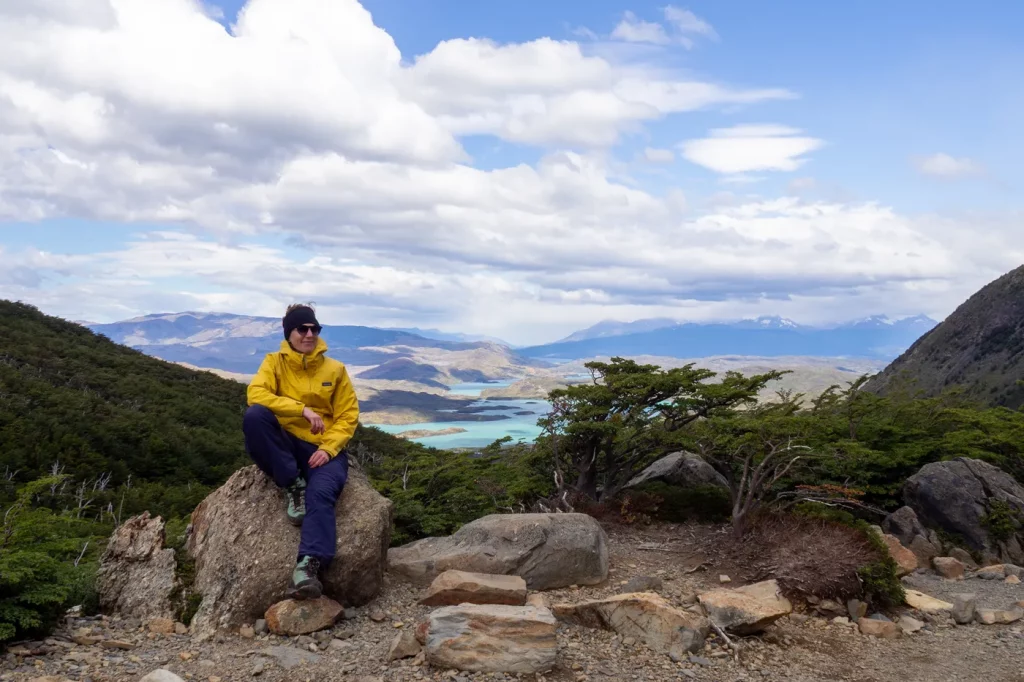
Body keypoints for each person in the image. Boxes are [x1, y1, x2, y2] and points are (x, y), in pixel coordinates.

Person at [242, 303, 359, 600]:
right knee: (255, 417)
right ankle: (292, 484)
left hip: (321, 446)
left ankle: (308, 567)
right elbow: (255, 394)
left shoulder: (335, 369)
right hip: (286, 441)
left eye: (314, 329)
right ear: (289, 333)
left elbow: (348, 416)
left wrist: (330, 448)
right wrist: (301, 409)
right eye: (302, 329)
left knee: (321, 494)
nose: (309, 334)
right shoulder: (274, 363)